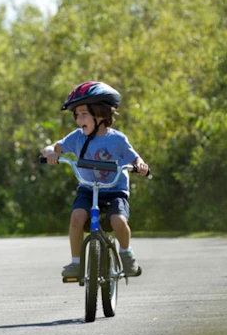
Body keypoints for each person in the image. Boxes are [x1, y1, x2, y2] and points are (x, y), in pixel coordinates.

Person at [42, 81, 149, 278]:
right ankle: (76, 262)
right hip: (88, 189)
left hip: (114, 189)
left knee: (118, 220)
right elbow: (53, 147)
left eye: (83, 114)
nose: (78, 119)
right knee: (76, 218)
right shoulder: (77, 137)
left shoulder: (117, 140)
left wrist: (140, 165)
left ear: (100, 114)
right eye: (76, 115)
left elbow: (135, 158)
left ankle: (127, 255)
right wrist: (50, 153)